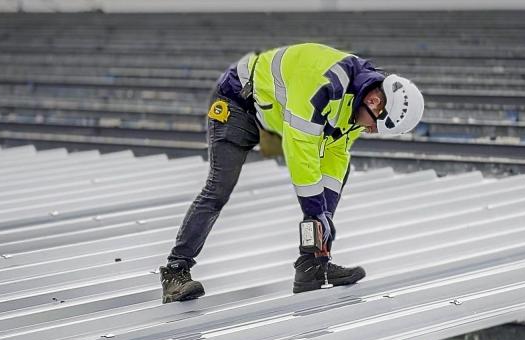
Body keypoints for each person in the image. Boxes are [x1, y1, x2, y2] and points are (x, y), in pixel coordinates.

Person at [159, 43, 424, 303]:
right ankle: (175, 272)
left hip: (274, 114)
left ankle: (312, 266)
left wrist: (325, 214)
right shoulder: (324, 86)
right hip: (239, 103)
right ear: (375, 100)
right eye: (375, 127)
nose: (370, 131)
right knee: (219, 188)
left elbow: (335, 154)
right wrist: (315, 210)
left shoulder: (360, 101)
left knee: (328, 193)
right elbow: (301, 151)